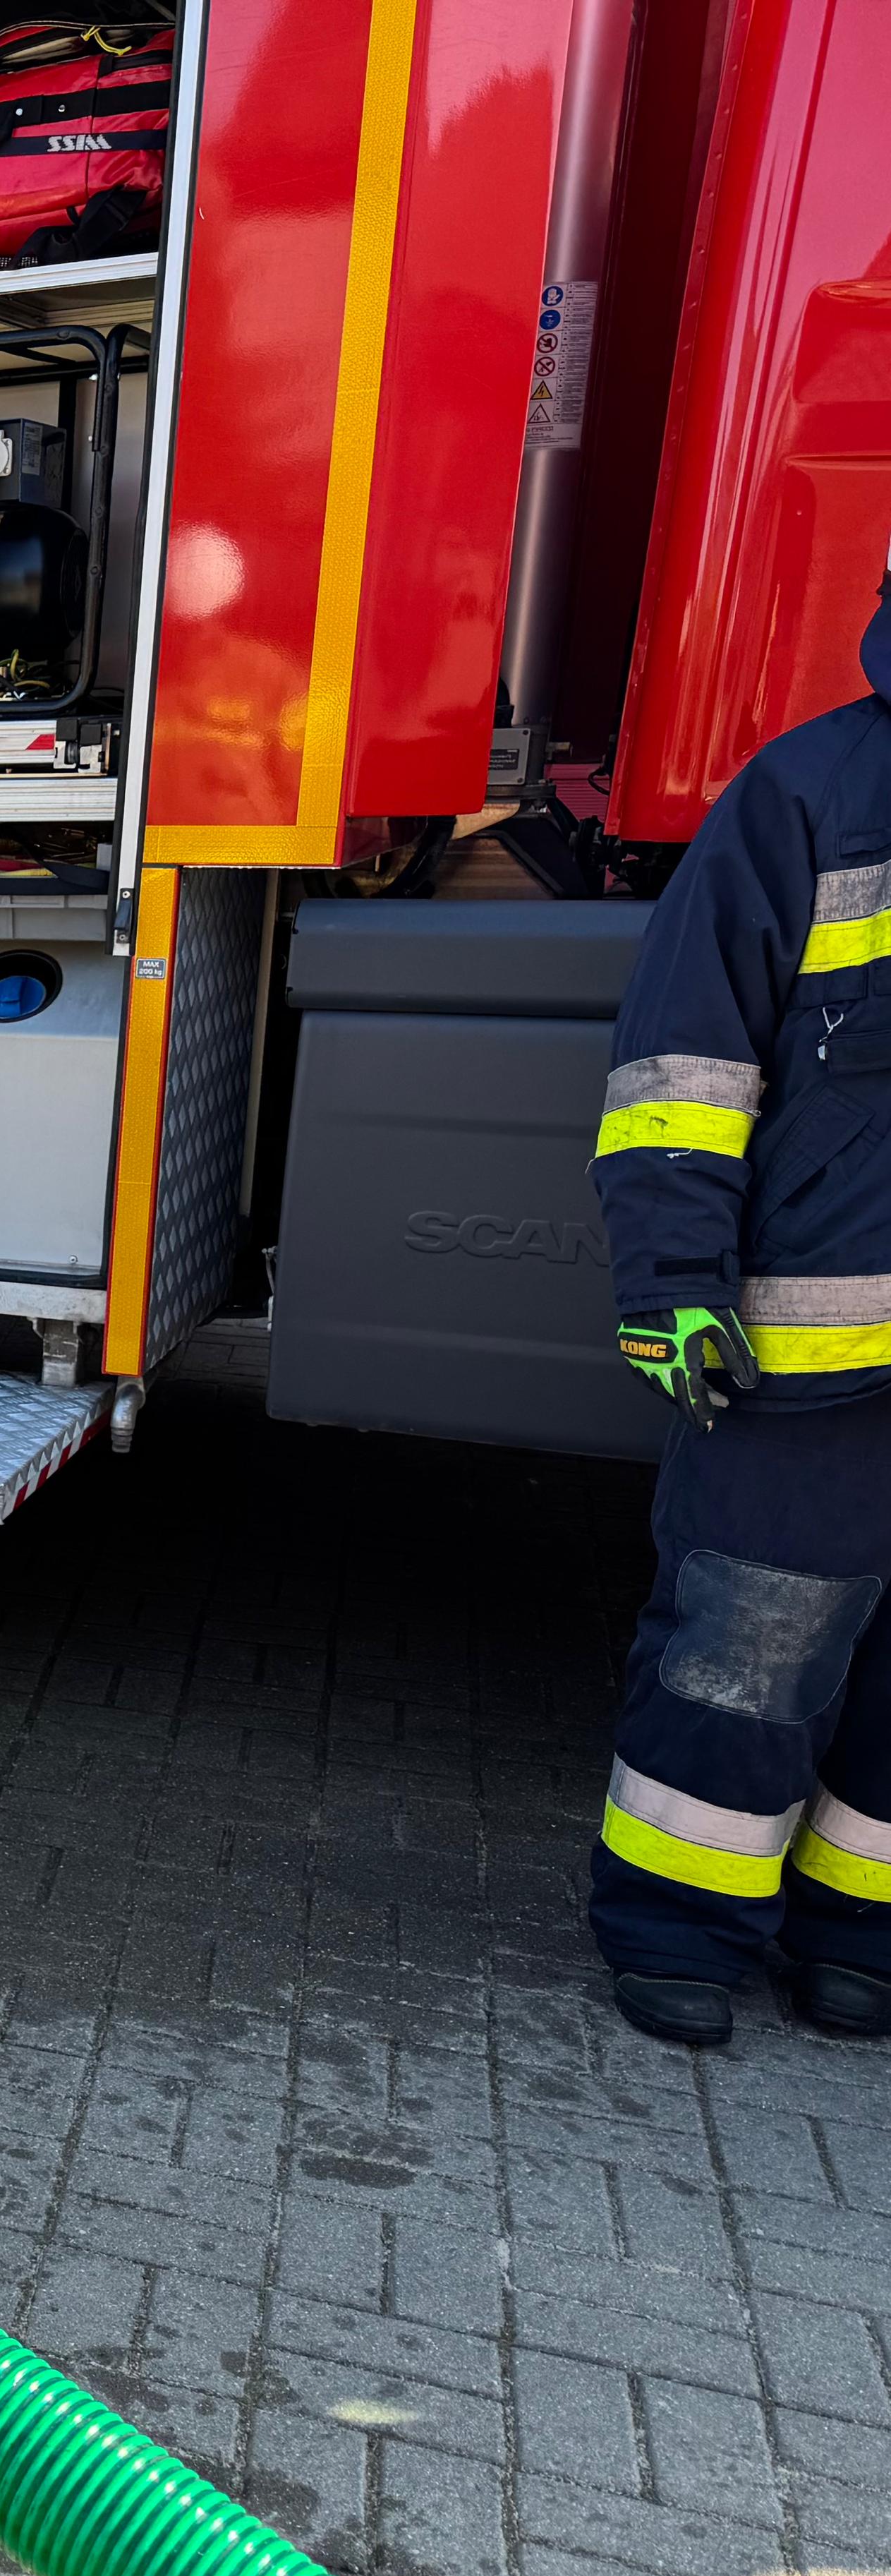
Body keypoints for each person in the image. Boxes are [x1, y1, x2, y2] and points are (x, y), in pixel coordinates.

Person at [586, 555, 891, 2047]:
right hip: (806, 1366)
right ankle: (680, 1931)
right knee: (748, 1655)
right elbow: (680, 1071)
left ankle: (861, 1935)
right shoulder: (811, 793)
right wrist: (672, 1285)